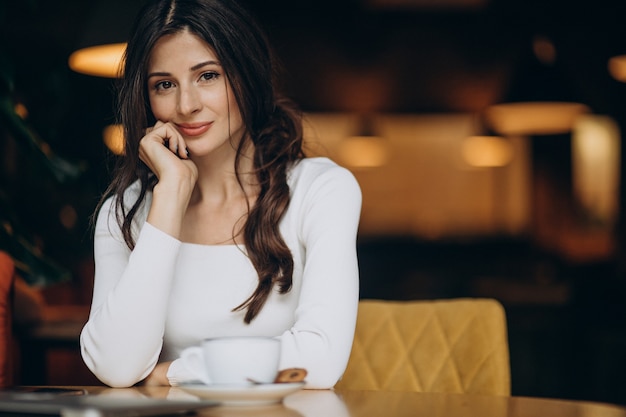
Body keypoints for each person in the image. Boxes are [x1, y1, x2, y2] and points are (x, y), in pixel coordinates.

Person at [79, 0, 362, 389]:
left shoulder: (321, 191)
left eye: (207, 76)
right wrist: (171, 196)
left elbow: (321, 359)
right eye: (164, 84)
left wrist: (175, 373)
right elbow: (116, 367)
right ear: (146, 99)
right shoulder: (124, 212)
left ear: (247, 75)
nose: (186, 105)